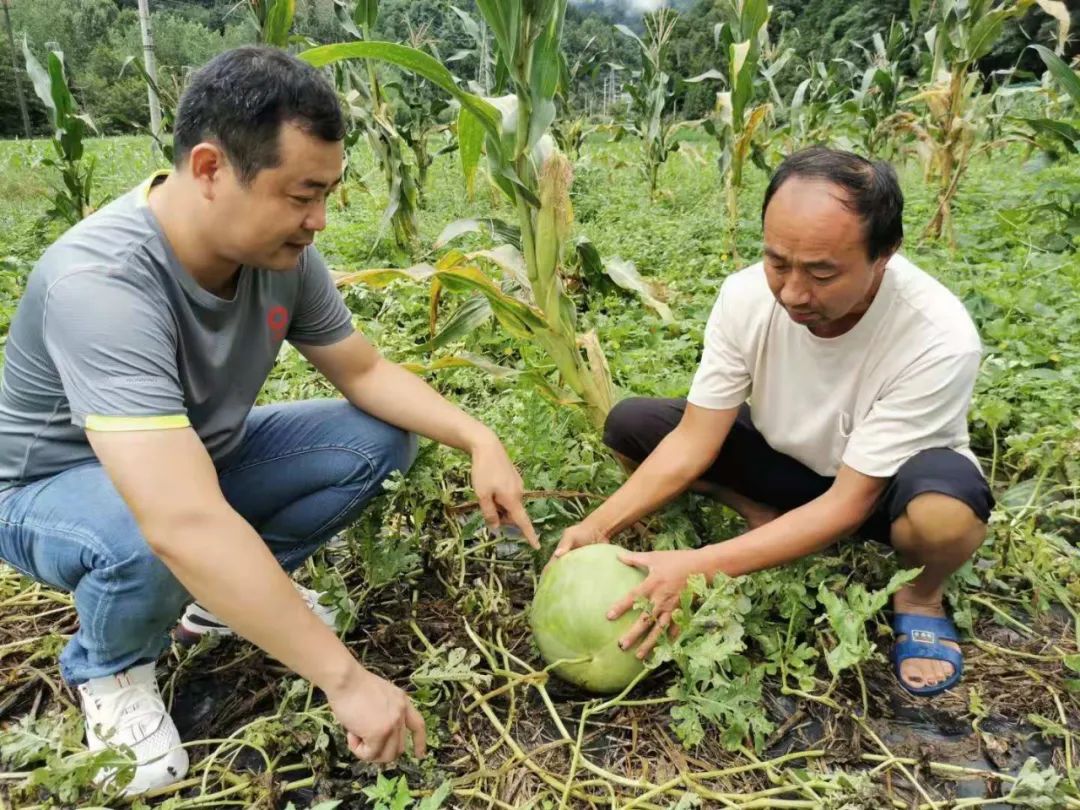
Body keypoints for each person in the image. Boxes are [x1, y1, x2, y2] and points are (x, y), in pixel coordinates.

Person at [0, 46, 538, 794]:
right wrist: (345, 679)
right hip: (52, 491)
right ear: (211, 169)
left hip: (192, 467)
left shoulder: (281, 256)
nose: (318, 221)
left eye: (326, 194)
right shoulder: (102, 284)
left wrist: (480, 436)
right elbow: (178, 518)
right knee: (151, 537)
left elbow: (364, 372)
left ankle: (222, 596)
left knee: (375, 440)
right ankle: (111, 666)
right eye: (301, 195)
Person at [554, 147, 993, 699]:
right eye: (778, 262)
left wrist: (699, 566)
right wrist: (599, 525)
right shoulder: (745, 297)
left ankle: (921, 595)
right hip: (788, 462)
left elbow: (848, 502)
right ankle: (764, 516)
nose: (792, 293)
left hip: (881, 493)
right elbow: (693, 439)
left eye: (822, 272)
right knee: (634, 425)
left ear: (884, 254)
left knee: (944, 516)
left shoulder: (937, 337)